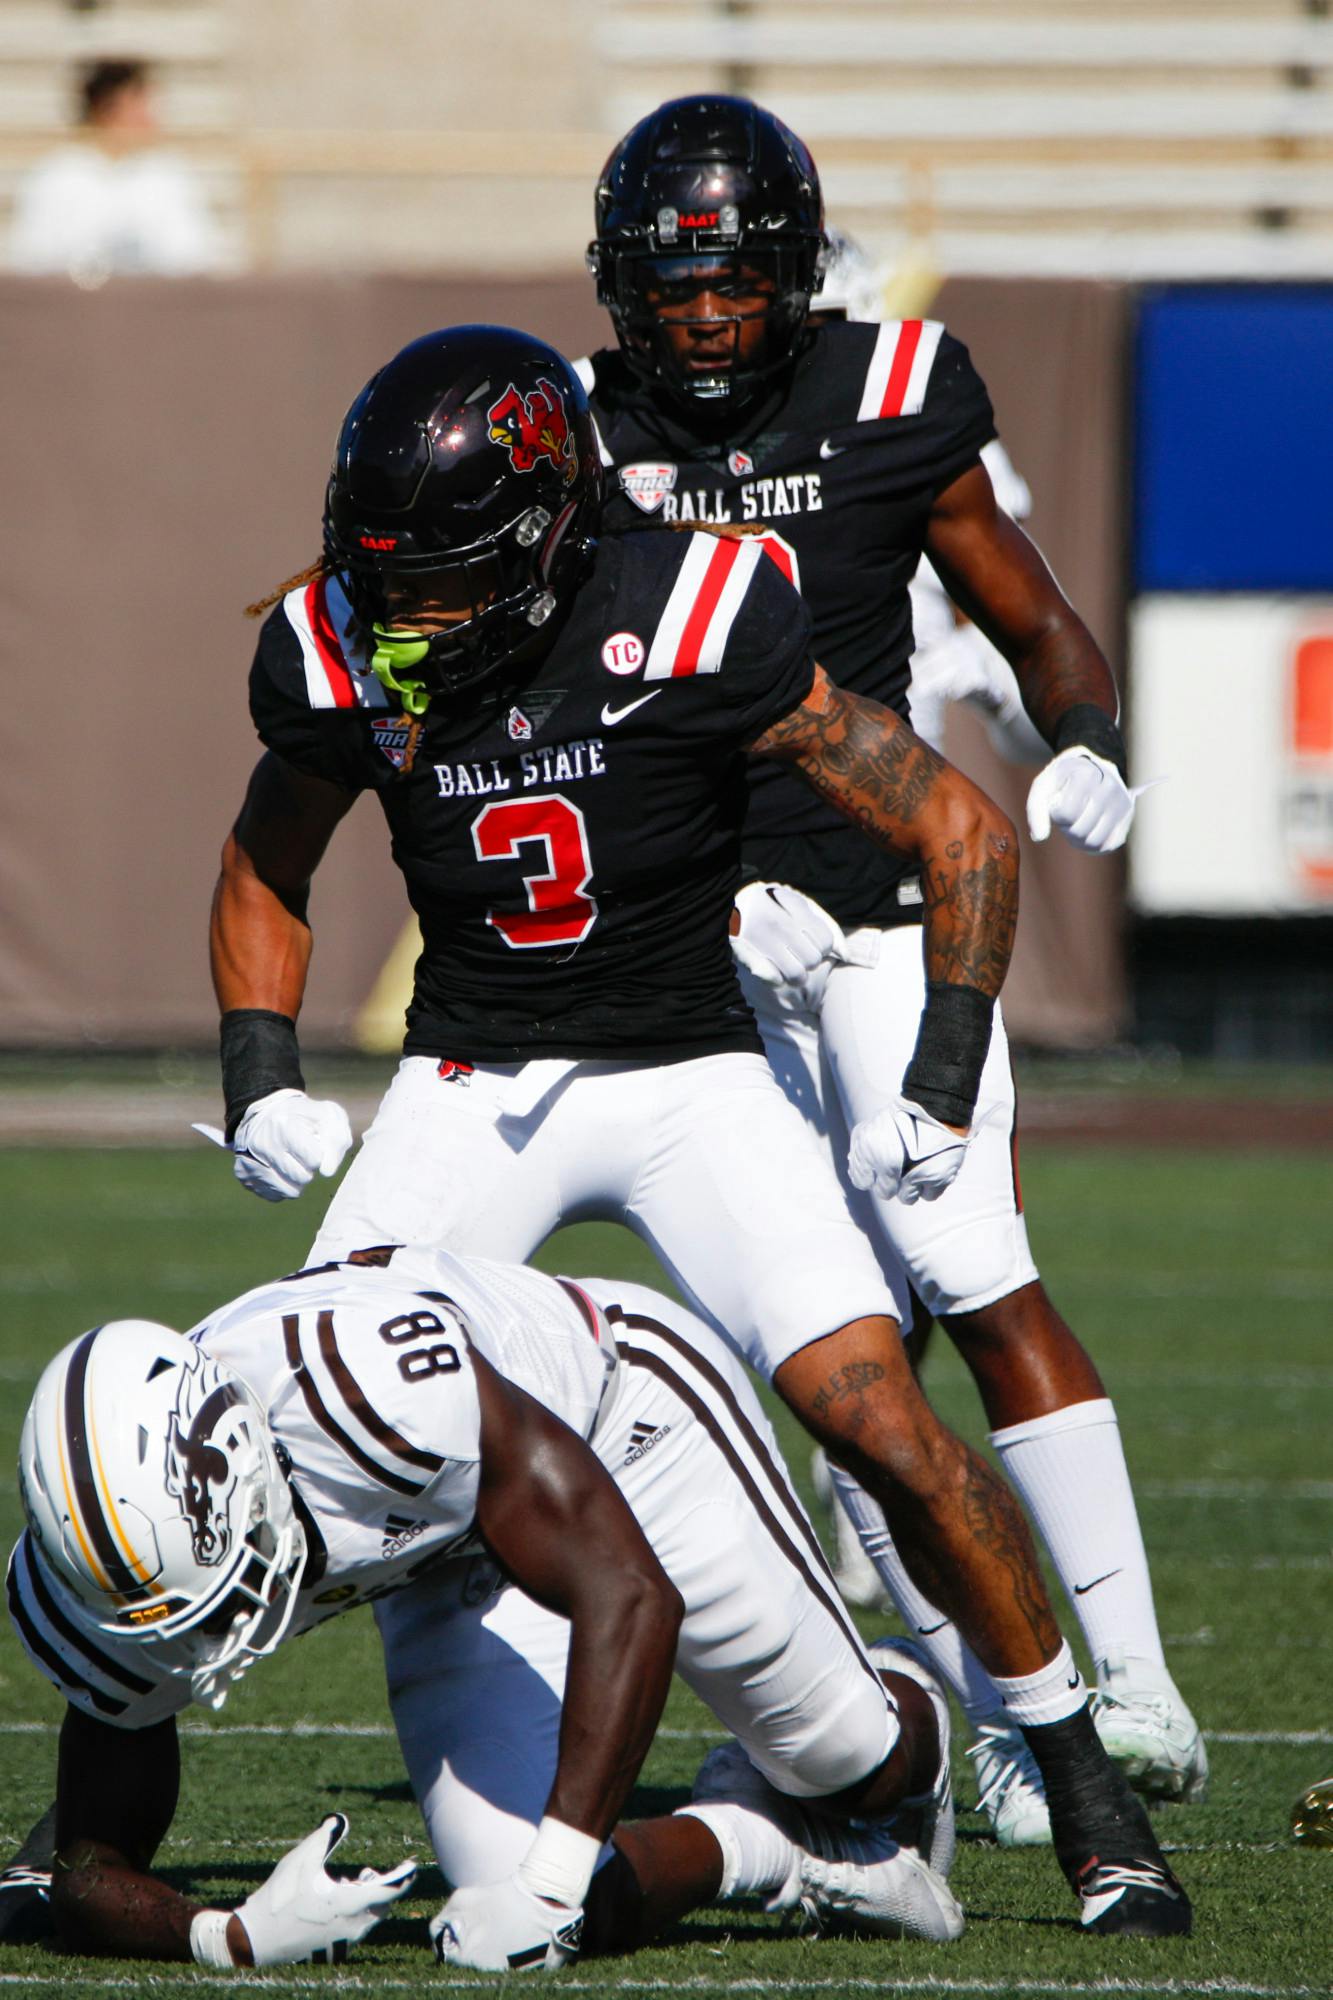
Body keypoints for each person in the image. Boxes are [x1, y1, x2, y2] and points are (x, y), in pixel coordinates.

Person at [204, 318, 1188, 1935]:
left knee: (877, 1413)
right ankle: (99, 1801)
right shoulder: (333, 644)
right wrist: (260, 1076)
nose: (402, 613)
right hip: (472, 1083)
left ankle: (1079, 1778)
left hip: (687, 1075)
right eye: (381, 568)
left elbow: (955, 821)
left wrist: (938, 1074)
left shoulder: (694, 600)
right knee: (290, 1399)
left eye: (440, 574)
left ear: (543, 536)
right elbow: (266, 861)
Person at [577, 95, 1206, 1843]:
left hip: (880, 909)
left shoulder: (890, 387)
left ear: (791, 274)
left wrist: (1077, 729)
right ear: (624, 285)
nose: (701, 316)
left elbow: (1026, 607)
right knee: (822, 1338)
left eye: (732, 281)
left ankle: (1133, 1676)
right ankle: (989, 1707)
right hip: (707, 935)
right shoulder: (575, 420)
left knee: (962, 1256)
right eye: (671, 284)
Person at [6, 1246, 967, 1966]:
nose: (216, 1628)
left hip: (618, 1420)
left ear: (245, 1461)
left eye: (225, 1582)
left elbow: (628, 1594)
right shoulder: (113, 1572)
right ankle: (783, 1854)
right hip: (436, 1556)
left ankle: (898, 1694)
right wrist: (228, 1934)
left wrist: (551, 1879)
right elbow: (87, 1870)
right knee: (510, 1920)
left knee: (855, 1766)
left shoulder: (372, 1399)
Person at [9, 58, 225, 281]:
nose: (151, 119)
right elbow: (31, 259)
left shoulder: (169, 175)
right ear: (106, 109)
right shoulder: (56, 176)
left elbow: (196, 258)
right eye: (139, 106)